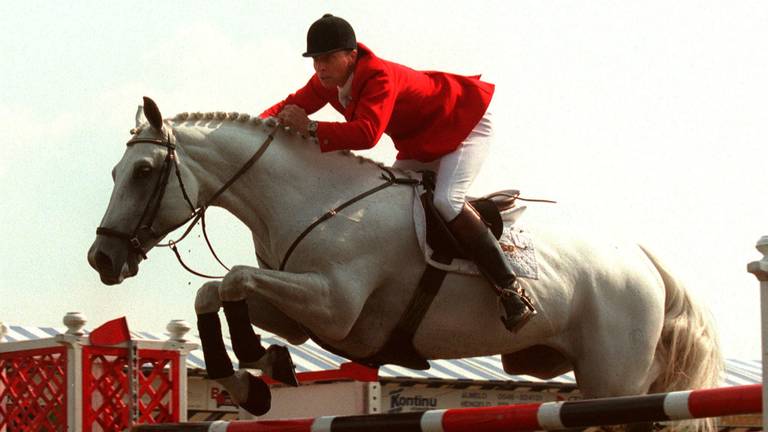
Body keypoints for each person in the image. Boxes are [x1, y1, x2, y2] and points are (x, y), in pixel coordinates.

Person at [260, 14, 535, 332]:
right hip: (422, 139)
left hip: (464, 124)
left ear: (351, 55)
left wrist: (309, 127)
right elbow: (290, 104)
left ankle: (511, 290)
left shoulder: (378, 76)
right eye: (316, 60)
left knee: (446, 201)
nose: (320, 66)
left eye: (328, 58)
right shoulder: (327, 83)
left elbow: (367, 134)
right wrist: (247, 129)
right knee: (385, 196)